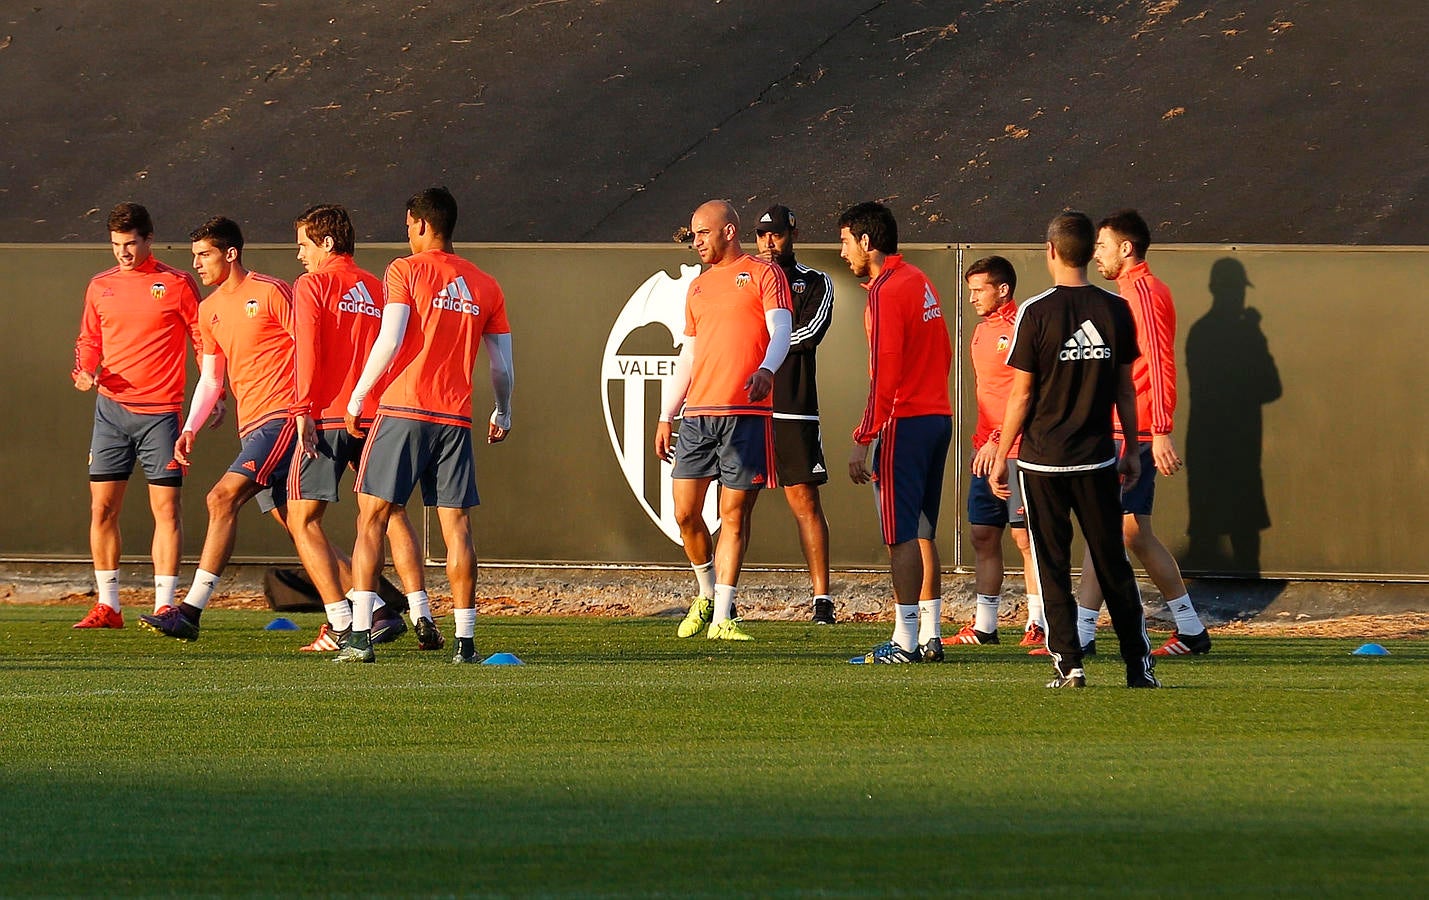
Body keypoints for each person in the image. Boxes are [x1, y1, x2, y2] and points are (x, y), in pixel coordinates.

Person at [337, 187, 514, 664]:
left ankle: (358, 638)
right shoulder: (486, 284)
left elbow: (390, 338)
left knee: (371, 517)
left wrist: (358, 396)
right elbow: (501, 367)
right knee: (457, 527)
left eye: (407, 225)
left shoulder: (405, 269)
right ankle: (466, 643)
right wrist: (504, 410)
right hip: (455, 418)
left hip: (403, 410)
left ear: (419, 224)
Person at [990, 211, 1158, 689]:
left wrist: (1002, 453)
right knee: (1112, 564)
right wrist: (1129, 447)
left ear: (1050, 252)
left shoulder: (1036, 310)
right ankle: (1137, 667)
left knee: (1053, 565)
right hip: (1099, 459)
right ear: (1088, 252)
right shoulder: (1115, 308)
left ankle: (1070, 664)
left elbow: (1021, 394)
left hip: (1043, 462)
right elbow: (1126, 389)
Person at [139, 217, 304, 641]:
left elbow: (308, 349)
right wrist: (190, 427)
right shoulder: (208, 309)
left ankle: (190, 610)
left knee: (220, 498)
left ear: (230, 254)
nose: (197, 263)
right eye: (193, 256)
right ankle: (375, 609)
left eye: (204, 254)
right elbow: (212, 379)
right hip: (252, 425)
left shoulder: (270, 291)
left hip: (283, 417)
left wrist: (306, 409)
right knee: (299, 527)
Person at [286, 204, 441, 653]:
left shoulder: (312, 284)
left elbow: (309, 353)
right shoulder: (378, 285)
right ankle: (421, 611)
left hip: (330, 413)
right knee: (391, 513)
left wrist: (302, 410)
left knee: (302, 517)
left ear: (327, 243)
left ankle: (339, 621)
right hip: (378, 414)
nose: (300, 255)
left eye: (303, 244)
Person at [71, 202, 214, 629]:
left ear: (148, 239)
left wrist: (215, 392)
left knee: (166, 509)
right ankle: (108, 605)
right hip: (110, 413)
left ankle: (166, 604)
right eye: (116, 245)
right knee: (102, 509)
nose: (123, 253)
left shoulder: (176, 282)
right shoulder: (100, 286)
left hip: (162, 415)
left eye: (130, 243)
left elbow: (201, 339)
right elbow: (89, 339)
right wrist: (83, 369)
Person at [655, 200, 792, 642]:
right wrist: (665, 414)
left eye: (702, 232)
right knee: (685, 514)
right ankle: (707, 592)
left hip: (745, 414)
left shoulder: (763, 273)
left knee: (732, 515)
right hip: (697, 416)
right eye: (693, 233)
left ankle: (723, 616)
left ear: (729, 231)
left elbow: (782, 330)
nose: (695, 241)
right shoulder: (697, 287)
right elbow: (689, 354)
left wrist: (767, 369)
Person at [1077, 209, 1212, 657]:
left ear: (1126, 248)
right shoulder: (1126, 292)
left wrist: (1160, 430)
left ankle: (1184, 630)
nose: (1096, 253)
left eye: (1102, 245)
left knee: (1124, 531)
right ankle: (1086, 632)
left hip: (1130, 434)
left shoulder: (1144, 292)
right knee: (1117, 531)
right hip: (1118, 430)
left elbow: (1159, 361)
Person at [839, 202, 953, 664]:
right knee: (924, 532)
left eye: (845, 241)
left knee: (900, 536)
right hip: (936, 418)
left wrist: (863, 436)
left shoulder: (886, 290)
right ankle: (930, 633)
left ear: (867, 242)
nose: (842, 251)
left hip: (904, 423)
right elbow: (942, 352)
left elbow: (884, 375)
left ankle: (904, 641)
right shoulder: (919, 280)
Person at [953, 255, 1045, 649]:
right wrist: (985, 442)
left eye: (979, 290)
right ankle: (986, 625)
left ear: (1002, 289)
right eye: (970, 289)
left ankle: (1039, 622)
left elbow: (1028, 394)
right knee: (982, 535)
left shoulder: (1021, 326)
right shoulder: (978, 331)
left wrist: (998, 441)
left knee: (1026, 540)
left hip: (1017, 451)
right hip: (983, 452)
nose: (971, 297)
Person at [753, 205, 836, 625]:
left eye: (777, 234)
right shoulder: (742, 280)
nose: (769, 242)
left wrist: (760, 348)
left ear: (792, 234)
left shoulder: (814, 282)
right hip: (745, 403)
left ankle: (822, 599)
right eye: (762, 235)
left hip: (792, 405)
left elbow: (807, 334)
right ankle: (720, 598)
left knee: (804, 501)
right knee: (734, 503)